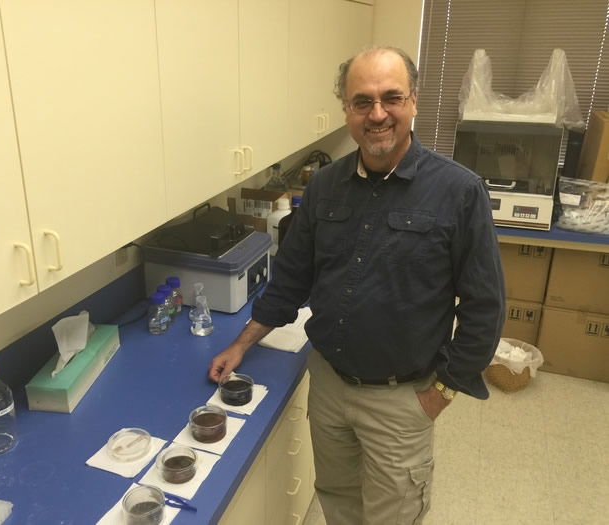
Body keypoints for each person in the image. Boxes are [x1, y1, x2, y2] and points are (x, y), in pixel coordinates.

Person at [208, 46, 505, 524]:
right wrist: (243, 344)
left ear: (413, 101)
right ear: (346, 109)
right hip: (328, 387)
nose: (378, 114)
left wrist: (441, 395)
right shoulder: (325, 187)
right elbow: (291, 281)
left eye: (391, 98)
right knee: (340, 508)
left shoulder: (459, 191)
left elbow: (485, 308)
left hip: (402, 401)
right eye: (362, 101)